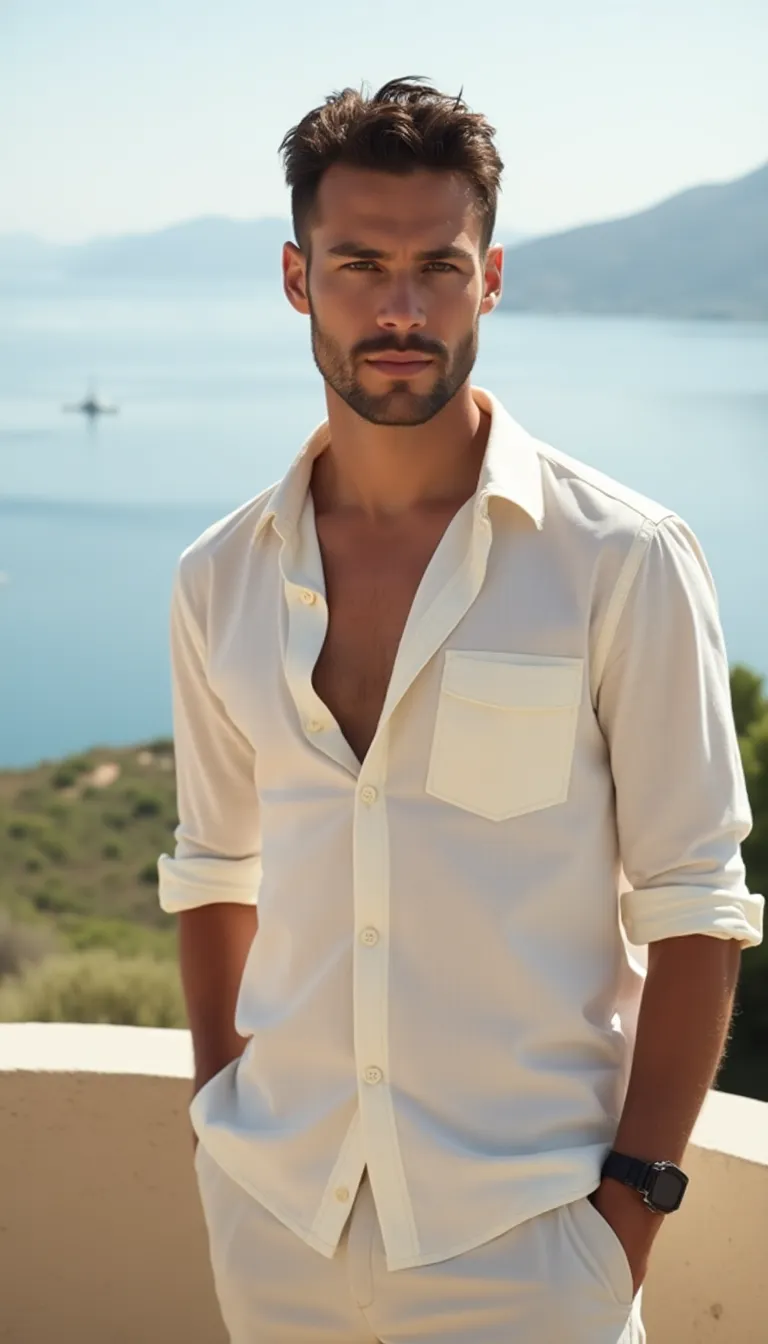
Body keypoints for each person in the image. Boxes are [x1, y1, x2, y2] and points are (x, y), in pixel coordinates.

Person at [157, 77, 763, 1344]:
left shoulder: (620, 558)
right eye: (359, 265)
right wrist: (225, 1123)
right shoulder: (220, 578)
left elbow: (697, 904)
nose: (400, 309)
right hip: (277, 1227)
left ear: (488, 280)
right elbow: (216, 871)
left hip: (532, 1246)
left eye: (438, 266)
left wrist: (627, 1218)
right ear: (296, 278)